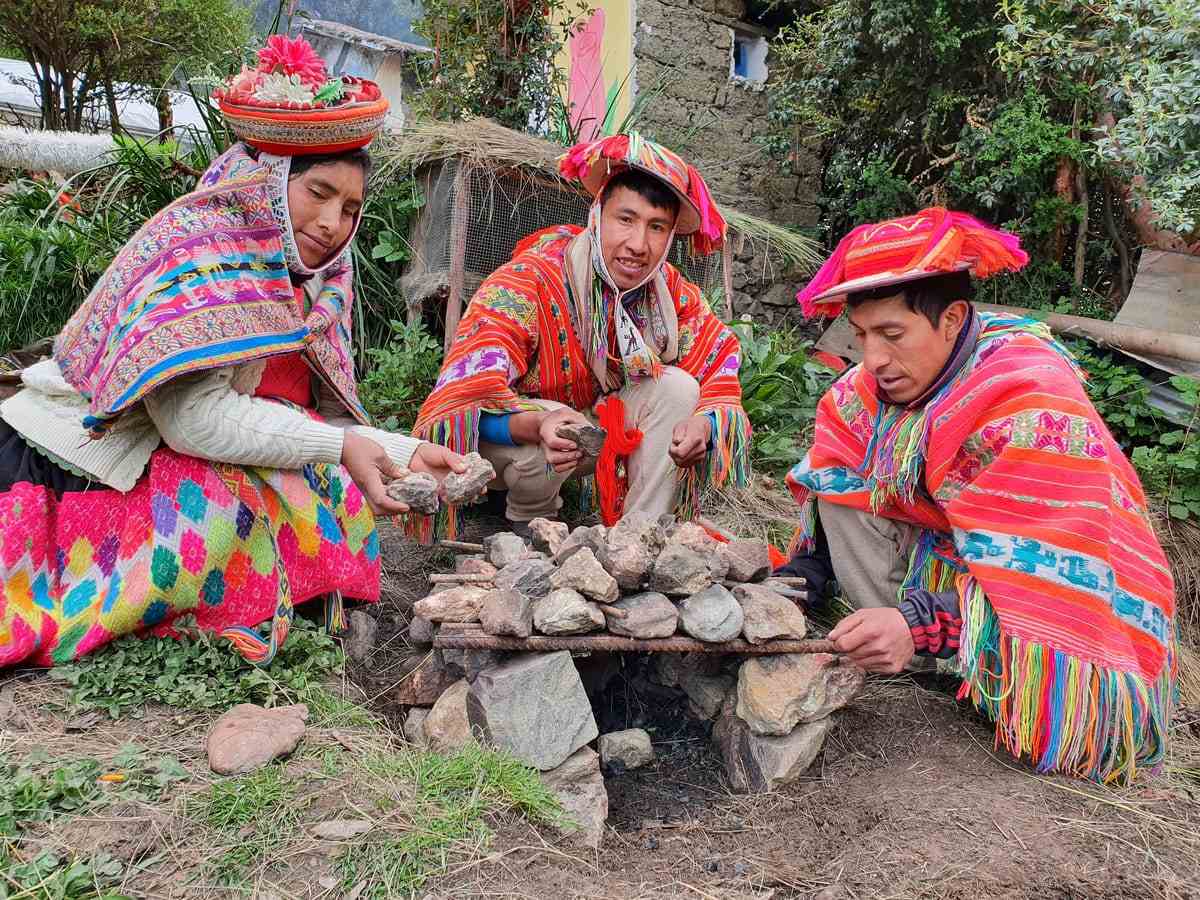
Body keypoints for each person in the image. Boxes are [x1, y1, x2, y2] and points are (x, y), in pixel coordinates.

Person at [0, 36, 464, 669]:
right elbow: (191, 420)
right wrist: (341, 449)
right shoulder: (196, 250)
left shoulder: (315, 286)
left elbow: (314, 423)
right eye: (319, 193)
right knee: (227, 500)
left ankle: (254, 599)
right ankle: (193, 603)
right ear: (266, 184)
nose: (334, 222)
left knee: (335, 493)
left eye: (351, 209)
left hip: (169, 451)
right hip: (75, 462)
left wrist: (409, 454)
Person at [779, 207, 1176, 783]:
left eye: (892, 335)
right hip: (948, 569)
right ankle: (923, 658)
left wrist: (918, 623)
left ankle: (965, 662)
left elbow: (1046, 569)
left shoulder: (1028, 398)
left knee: (1031, 634)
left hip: (1059, 590)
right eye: (862, 336)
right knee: (837, 482)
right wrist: (793, 589)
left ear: (952, 319)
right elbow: (827, 499)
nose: (873, 359)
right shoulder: (860, 396)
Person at [414, 133, 750, 534]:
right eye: (625, 220)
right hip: (517, 443)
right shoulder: (530, 281)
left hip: (588, 433)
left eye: (657, 227)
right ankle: (528, 524)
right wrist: (537, 423)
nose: (638, 245)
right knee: (547, 434)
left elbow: (718, 366)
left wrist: (705, 425)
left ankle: (640, 536)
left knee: (678, 389)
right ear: (597, 215)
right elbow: (465, 405)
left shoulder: (669, 293)